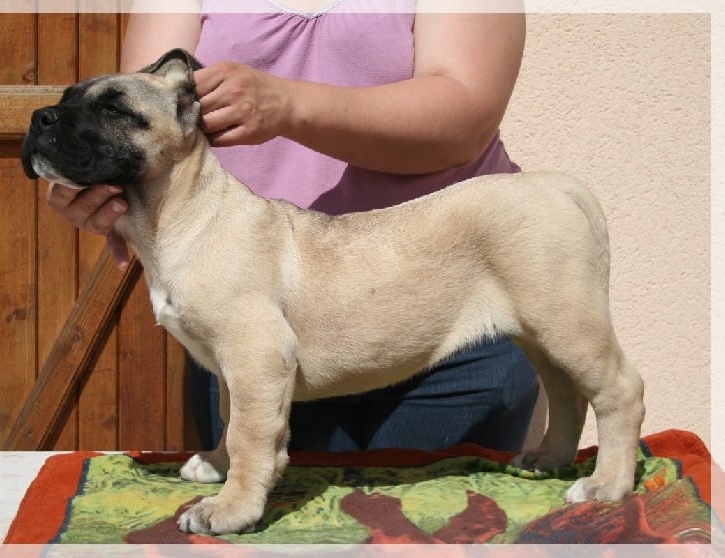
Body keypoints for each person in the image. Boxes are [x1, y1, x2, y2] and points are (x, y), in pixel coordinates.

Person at [47, 0, 540, 453]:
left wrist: (286, 104)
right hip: (252, 307)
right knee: (266, 536)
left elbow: (463, 121)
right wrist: (88, 181)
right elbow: (145, 126)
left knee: (435, 537)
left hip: (443, 304)